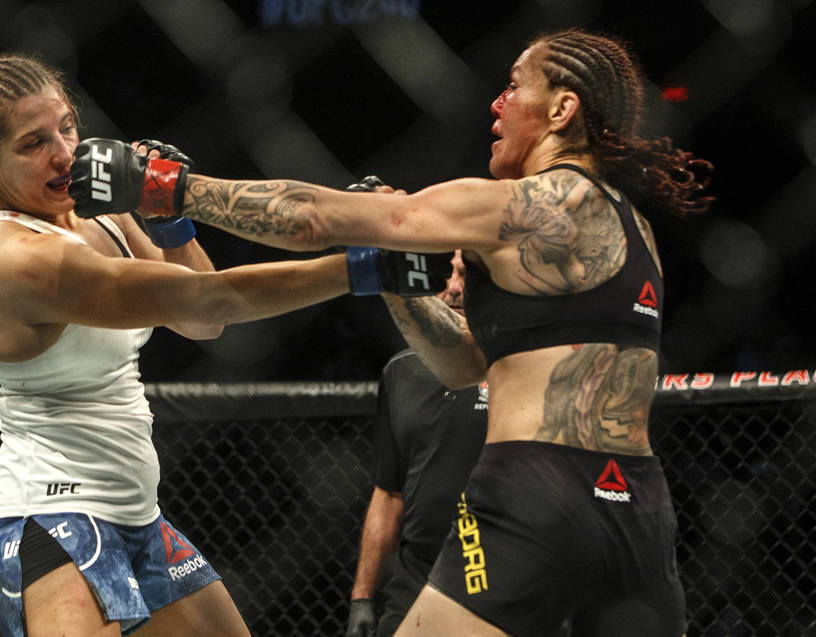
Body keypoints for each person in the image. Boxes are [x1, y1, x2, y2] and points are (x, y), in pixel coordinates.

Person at [0, 15, 451, 637]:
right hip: (49, 517)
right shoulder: (20, 259)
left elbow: (199, 327)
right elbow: (210, 302)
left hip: (135, 516)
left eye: (67, 128)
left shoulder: (104, 221)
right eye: (33, 144)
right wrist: (362, 266)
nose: (64, 154)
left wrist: (165, 215)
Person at [74, 27, 713, 637]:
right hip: (637, 502)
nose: (497, 101)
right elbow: (464, 366)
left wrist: (166, 188)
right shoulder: (633, 228)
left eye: (515, 85)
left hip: (535, 488)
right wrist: (398, 283)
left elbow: (315, 219)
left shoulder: (528, 205)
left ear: (561, 109)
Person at [347, 249, 489, 637]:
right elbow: (388, 493)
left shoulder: (521, 368)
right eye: (446, 277)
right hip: (418, 575)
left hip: (502, 566)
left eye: (467, 277)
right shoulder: (401, 372)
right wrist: (362, 596)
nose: (454, 290)